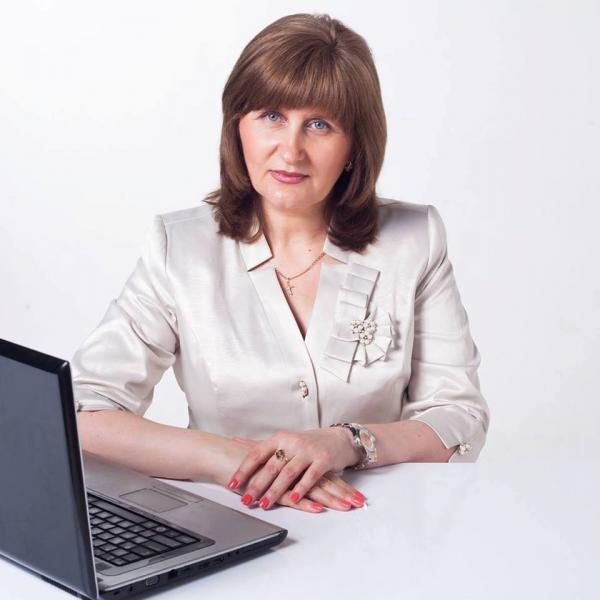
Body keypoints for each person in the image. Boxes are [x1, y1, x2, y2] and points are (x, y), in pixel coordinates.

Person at [72, 13, 490, 514]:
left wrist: (349, 442)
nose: (291, 151)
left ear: (354, 146)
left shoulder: (415, 239)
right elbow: (82, 415)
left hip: (377, 520)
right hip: (229, 520)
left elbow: (459, 419)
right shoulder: (178, 248)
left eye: (319, 125)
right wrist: (226, 459)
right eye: (271, 116)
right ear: (238, 127)